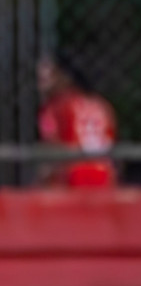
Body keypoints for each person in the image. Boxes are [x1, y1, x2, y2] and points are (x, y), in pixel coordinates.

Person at [36, 55, 116, 188]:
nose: (42, 85)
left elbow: (52, 149)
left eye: (48, 78)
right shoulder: (100, 105)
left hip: (73, 173)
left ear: (64, 77)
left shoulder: (55, 106)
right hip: (103, 171)